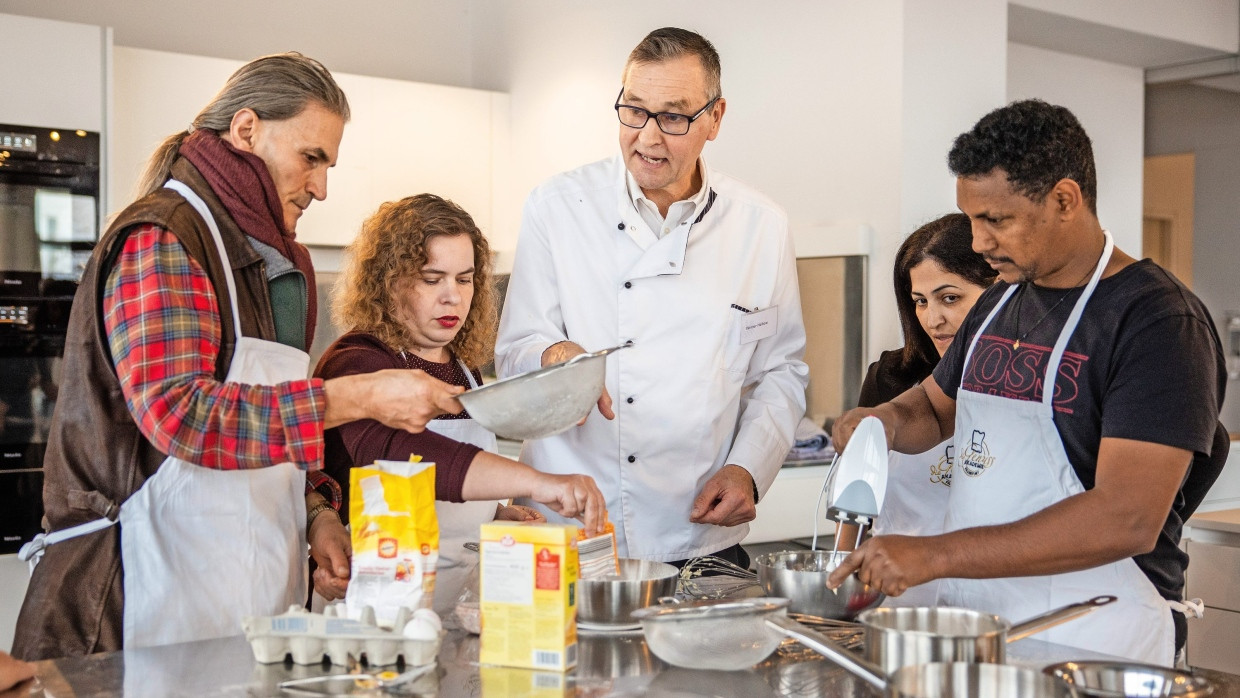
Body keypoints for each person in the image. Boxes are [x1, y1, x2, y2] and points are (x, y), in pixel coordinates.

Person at [12, 53, 477, 660]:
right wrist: (361, 396)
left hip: (248, 599)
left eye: (329, 165)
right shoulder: (164, 237)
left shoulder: (276, 263)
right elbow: (181, 413)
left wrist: (315, 516)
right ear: (247, 129)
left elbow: (271, 430)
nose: (321, 187)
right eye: (312, 158)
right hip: (135, 602)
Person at [828, 99, 1228, 665]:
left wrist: (937, 555)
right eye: (971, 218)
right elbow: (936, 409)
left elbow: (1128, 516)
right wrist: (884, 421)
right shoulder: (999, 301)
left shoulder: (1156, 321)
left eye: (996, 220)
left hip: (1095, 630)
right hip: (983, 618)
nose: (980, 241)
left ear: (1065, 199)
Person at [495, 27, 809, 567]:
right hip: (568, 529)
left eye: (674, 116)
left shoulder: (762, 226)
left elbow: (780, 371)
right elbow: (516, 347)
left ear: (716, 117)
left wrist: (749, 469)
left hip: (696, 529)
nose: (648, 137)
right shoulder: (558, 205)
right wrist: (553, 357)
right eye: (633, 111)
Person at [314, 194, 607, 614]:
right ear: (389, 282)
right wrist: (537, 482)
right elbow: (413, 460)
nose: (453, 297)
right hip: (378, 610)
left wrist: (489, 512)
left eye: (464, 279)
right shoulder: (357, 362)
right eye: (432, 279)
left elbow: (450, 497)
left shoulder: (463, 367)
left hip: (460, 607)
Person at [850, 213, 996, 607]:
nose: (933, 319)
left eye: (950, 298)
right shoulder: (890, 379)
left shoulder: (1017, 383)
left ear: (997, 292)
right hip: (895, 602)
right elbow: (855, 503)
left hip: (992, 600)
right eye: (920, 301)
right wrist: (842, 584)